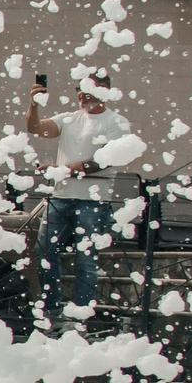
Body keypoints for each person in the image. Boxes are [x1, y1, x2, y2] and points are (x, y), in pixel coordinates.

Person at [26, 71, 139, 327]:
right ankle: (52, 311)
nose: (82, 92)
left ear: (105, 91)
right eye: (80, 87)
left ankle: (80, 317)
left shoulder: (116, 122)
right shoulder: (69, 118)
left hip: (92, 199)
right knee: (44, 252)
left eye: (90, 87)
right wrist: (34, 103)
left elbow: (104, 160)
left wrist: (65, 169)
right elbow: (35, 128)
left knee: (86, 259)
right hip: (61, 196)